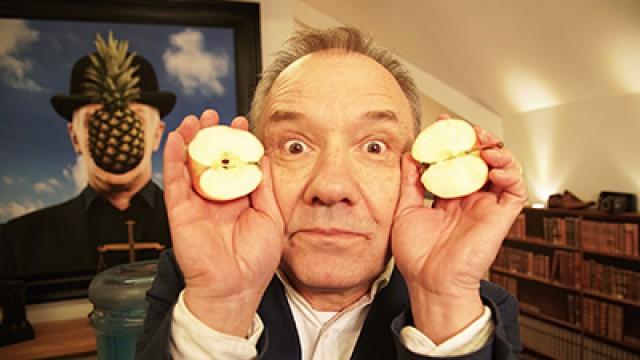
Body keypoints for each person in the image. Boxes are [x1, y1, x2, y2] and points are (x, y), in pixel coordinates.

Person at [137, 27, 526, 359]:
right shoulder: (190, 286)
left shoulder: (472, 308)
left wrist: (441, 303)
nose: (331, 188)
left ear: (418, 172)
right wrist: (222, 311)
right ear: (254, 165)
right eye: (295, 146)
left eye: (374, 147)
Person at [0, 54, 175, 297]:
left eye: (132, 119)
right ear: (75, 137)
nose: (114, 137)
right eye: (97, 121)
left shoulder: (205, 233)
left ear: (157, 134)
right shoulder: (17, 242)